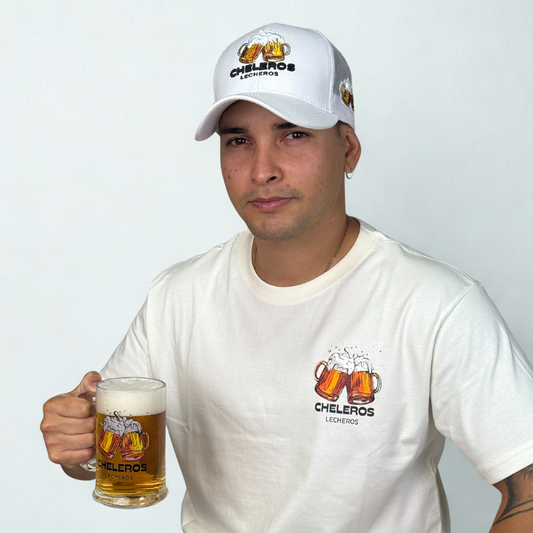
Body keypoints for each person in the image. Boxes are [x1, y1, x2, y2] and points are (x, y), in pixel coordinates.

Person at [40, 23, 533, 532]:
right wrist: (77, 442)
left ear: (348, 148)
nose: (262, 170)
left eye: (293, 134)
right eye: (238, 140)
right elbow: (108, 448)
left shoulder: (434, 303)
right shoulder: (178, 298)